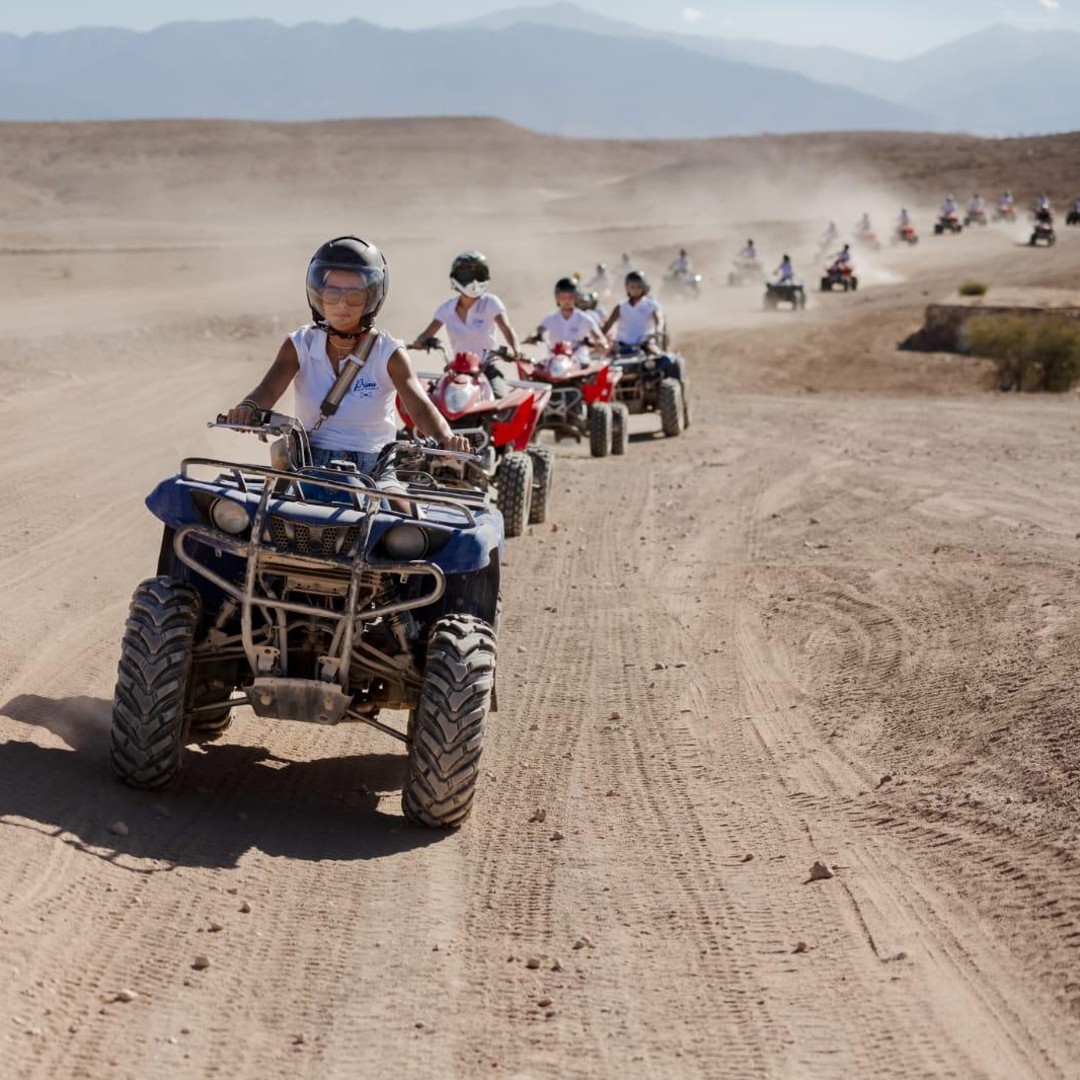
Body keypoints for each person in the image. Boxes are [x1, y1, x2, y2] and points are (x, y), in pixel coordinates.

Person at [225, 235, 469, 488]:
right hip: (305, 463)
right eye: (332, 294)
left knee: (403, 520)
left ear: (371, 298)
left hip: (374, 468)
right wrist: (248, 408)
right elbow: (269, 388)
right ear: (318, 296)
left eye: (354, 296)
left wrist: (446, 438)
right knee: (263, 517)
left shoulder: (389, 353)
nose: (342, 305)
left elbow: (419, 407)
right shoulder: (299, 345)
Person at [409, 250, 521, 397]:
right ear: (456, 278)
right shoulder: (447, 308)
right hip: (457, 368)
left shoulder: (490, 303)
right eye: (467, 276)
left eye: (478, 275)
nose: (473, 281)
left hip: (486, 368)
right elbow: (427, 333)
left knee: (500, 403)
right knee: (433, 401)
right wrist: (419, 342)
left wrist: (516, 350)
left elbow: (507, 329)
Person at [527, 277, 608, 363]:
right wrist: (533, 336)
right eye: (563, 297)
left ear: (576, 297)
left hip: (579, 361)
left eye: (570, 297)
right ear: (557, 298)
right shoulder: (551, 318)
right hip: (555, 362)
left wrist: (600, 342)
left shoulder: (584, 318)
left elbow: (599, 336)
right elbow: (539, 329)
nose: (567, 301)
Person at [600, 270, 664, 352]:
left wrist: (659, 330)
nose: (635, 290)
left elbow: (659, 320)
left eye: (639, 287)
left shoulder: (651, 305)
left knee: (662, 359)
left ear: (643, 287)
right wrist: (599, 337)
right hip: (621, 345)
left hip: (644, 344)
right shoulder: (621, 306)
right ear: (627, 288)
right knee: (603, 361)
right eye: (632, 287)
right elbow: (609, 323)